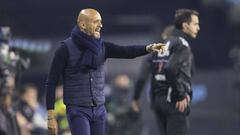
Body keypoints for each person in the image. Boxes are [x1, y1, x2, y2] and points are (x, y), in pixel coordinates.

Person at [46, 8, 164, 135]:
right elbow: (51, 82)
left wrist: (148, 48)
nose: (100, 25)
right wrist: (51, 116)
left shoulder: (102, 46)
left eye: (101, 22)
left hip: (99, 109)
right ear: (83, 24)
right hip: (78, 109)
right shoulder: (65, 49)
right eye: (96, 22)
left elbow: (126, 51)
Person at [131, 8, 200, 135]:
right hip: (173, 99)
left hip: (158, 99)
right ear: (185, 26)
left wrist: (136, 97)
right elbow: (172, 68)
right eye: (195, 24)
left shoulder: (162, 45)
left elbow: (143, 75)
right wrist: (180, 94)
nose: (198, 28)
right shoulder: (182, 44)